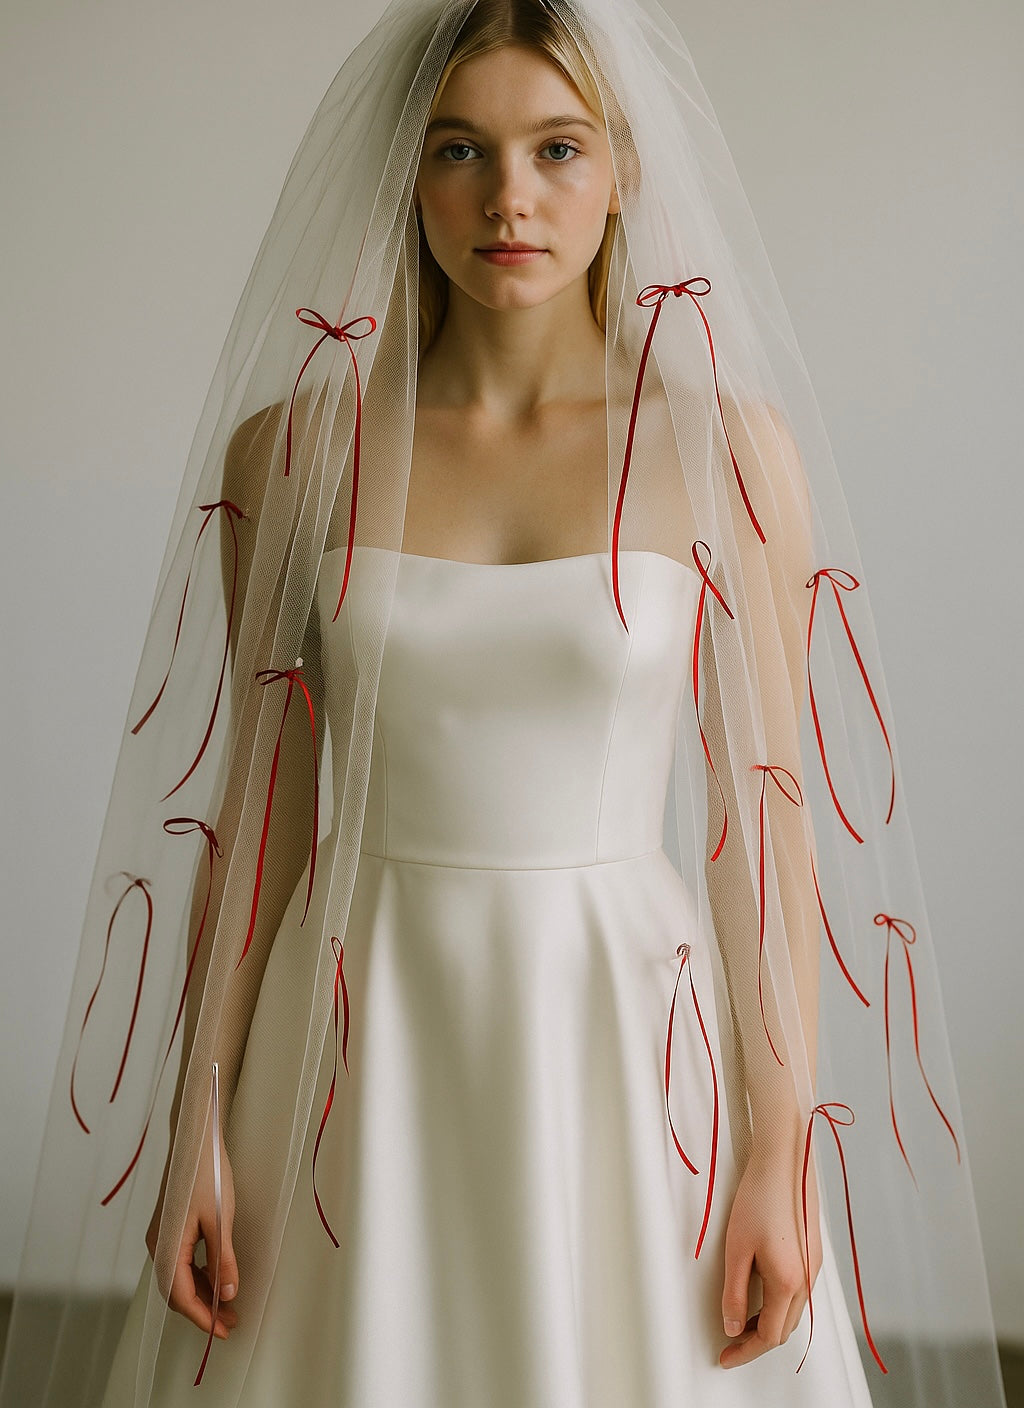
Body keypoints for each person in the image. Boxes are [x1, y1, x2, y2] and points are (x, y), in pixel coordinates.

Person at [0, 2, 1006, 1406]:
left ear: (624, 170)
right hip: (356, 1029)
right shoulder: (296, 454)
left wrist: (779, 1150)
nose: (509, 198)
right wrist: (197, 1125)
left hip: (618, 1026)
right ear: (405, 173)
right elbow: (260, 818)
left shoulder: (722, 451)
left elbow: (764, 830)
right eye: (460, 148)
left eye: (558, 148)